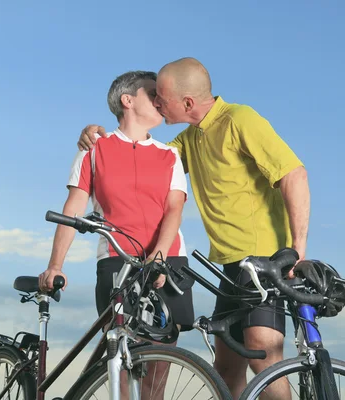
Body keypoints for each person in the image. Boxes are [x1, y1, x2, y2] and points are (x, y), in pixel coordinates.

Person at [76, 57, 310, 399]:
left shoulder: (240, 119)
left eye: (161, 98)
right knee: (227, 367)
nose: (157, 103)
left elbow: (294, 175)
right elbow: (139, 156)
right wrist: (97, 134)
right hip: (231, 266)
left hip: (265, 259)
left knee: (263, 353)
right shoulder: (188, 140)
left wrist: (298, 250)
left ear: (186, 103)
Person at [39, 70, 195, 399]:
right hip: (116, 260)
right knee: (122, 359)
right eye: (152, 93)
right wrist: (55, 265)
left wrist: (161, 252)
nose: (160, 100)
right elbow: (73, 208)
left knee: (159, 363)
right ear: (127, 100)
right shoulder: (93, 149)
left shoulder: (171, 155)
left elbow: (174, 209)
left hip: (168, 260)